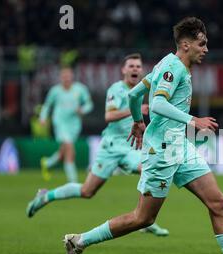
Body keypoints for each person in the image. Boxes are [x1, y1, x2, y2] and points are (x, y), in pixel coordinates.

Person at [62, 17, 223, 254]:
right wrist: (192, 120)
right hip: (162, 150)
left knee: (218, 202)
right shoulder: (172, 68)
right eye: (202, 43)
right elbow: (159, 103)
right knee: (143, 217)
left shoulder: (169, 64)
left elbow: (135, 95)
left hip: (179, 146)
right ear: (185, 44)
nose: (206, 49)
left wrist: (139, 122)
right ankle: (79, 241)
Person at [26, 54, 169, 236]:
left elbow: (89, 105)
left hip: (130, 147)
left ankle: (142, 219)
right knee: (87, 191)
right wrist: (135, 111)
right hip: (110, 147)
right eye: (131, 66)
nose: (135, 69)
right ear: (123, 70)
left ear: (142, 71)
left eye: (138, 66)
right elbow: (109, 116)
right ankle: (45, 196)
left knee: (148, 169)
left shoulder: (142, 90)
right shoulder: (116, 89)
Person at [39, 67, 93, 182]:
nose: (66, 79)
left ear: (72, 77)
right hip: (60, 122)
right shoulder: (55, 91)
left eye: (68, 76)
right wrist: (43, 117)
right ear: (60, 78)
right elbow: (47, 105)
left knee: (64, 150)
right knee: (69, 148)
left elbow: (89, 104)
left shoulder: (80, 89)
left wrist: (82, 110)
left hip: (74, 124)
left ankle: (47, 163)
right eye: (64, 77)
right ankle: (73, 181)